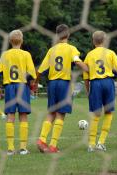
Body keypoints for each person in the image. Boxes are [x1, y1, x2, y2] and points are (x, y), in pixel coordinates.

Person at [36, 24, 88, 153]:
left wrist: (35, 82)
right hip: (64, 84)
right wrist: (87, 68)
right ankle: (53, 145)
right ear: (68, 34)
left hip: (52, 83)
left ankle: (42, 140)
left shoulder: (51, 50)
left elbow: (41, 70)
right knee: (61, 114)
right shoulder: (71, 49)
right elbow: (76, 60)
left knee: (51, 112)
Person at [0, 29, 36, 155]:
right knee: (23, 116)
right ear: (22, 41)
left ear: (9, 41)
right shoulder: (26, 54)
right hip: (23, 87)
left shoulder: (5, 55)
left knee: (10, 116)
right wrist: (31, 88)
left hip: (10, 87)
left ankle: (10, 148)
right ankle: (23, 148)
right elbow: (32, 75)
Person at [83, 31, 117, 152]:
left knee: (95, 114)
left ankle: (91, 144)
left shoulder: (89, 55)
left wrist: (88, 91)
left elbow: (86, 77)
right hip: (108, 82)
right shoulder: (110, 53)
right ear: (105, 41)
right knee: (109, 113)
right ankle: (101, 142)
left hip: (95, 83)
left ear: (93, 41)